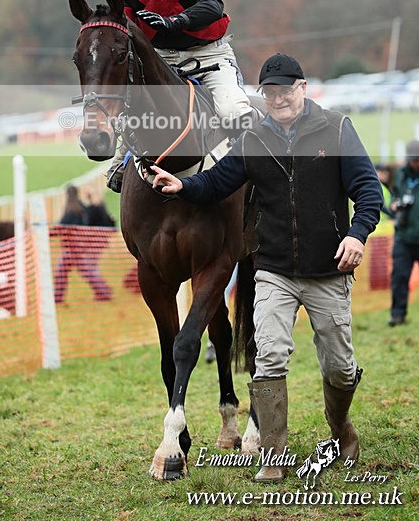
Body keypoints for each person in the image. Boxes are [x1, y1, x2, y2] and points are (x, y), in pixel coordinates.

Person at [149, 53, 383, 482]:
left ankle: (340, 425)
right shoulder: (254, 139)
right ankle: (273, 455)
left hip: (327, 269)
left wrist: (357, 233)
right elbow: (218, 182)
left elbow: (369, 192)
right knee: (269, 357)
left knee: (339, 367)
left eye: (285, 90)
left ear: (303, 87)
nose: (278, 99)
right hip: (274, 270)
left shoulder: (337, 129)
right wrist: (183, 184)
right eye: (270, 92)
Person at [105, 0, 255, 192]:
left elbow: (213, 4)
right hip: (160, 60)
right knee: (128, 114)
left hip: (209, 57)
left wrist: (174, 22)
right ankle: (122, 161)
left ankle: (265, 185)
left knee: (234, 113)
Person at [54, 185, 114, 303]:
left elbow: (61, 227)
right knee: (86, 270)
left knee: (80, 270)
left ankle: (57, 297)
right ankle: (104, 291)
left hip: (75, 247)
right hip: (82, 246)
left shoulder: (72, 211)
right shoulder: (84, 208)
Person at [388, 140, 419, 326]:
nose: (414, 163)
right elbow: (396, 194)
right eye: (412, 160)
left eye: (417, 159)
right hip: (403, 237)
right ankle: (397, 315)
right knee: (399, 276)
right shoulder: (401, 174)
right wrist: (395, 203)